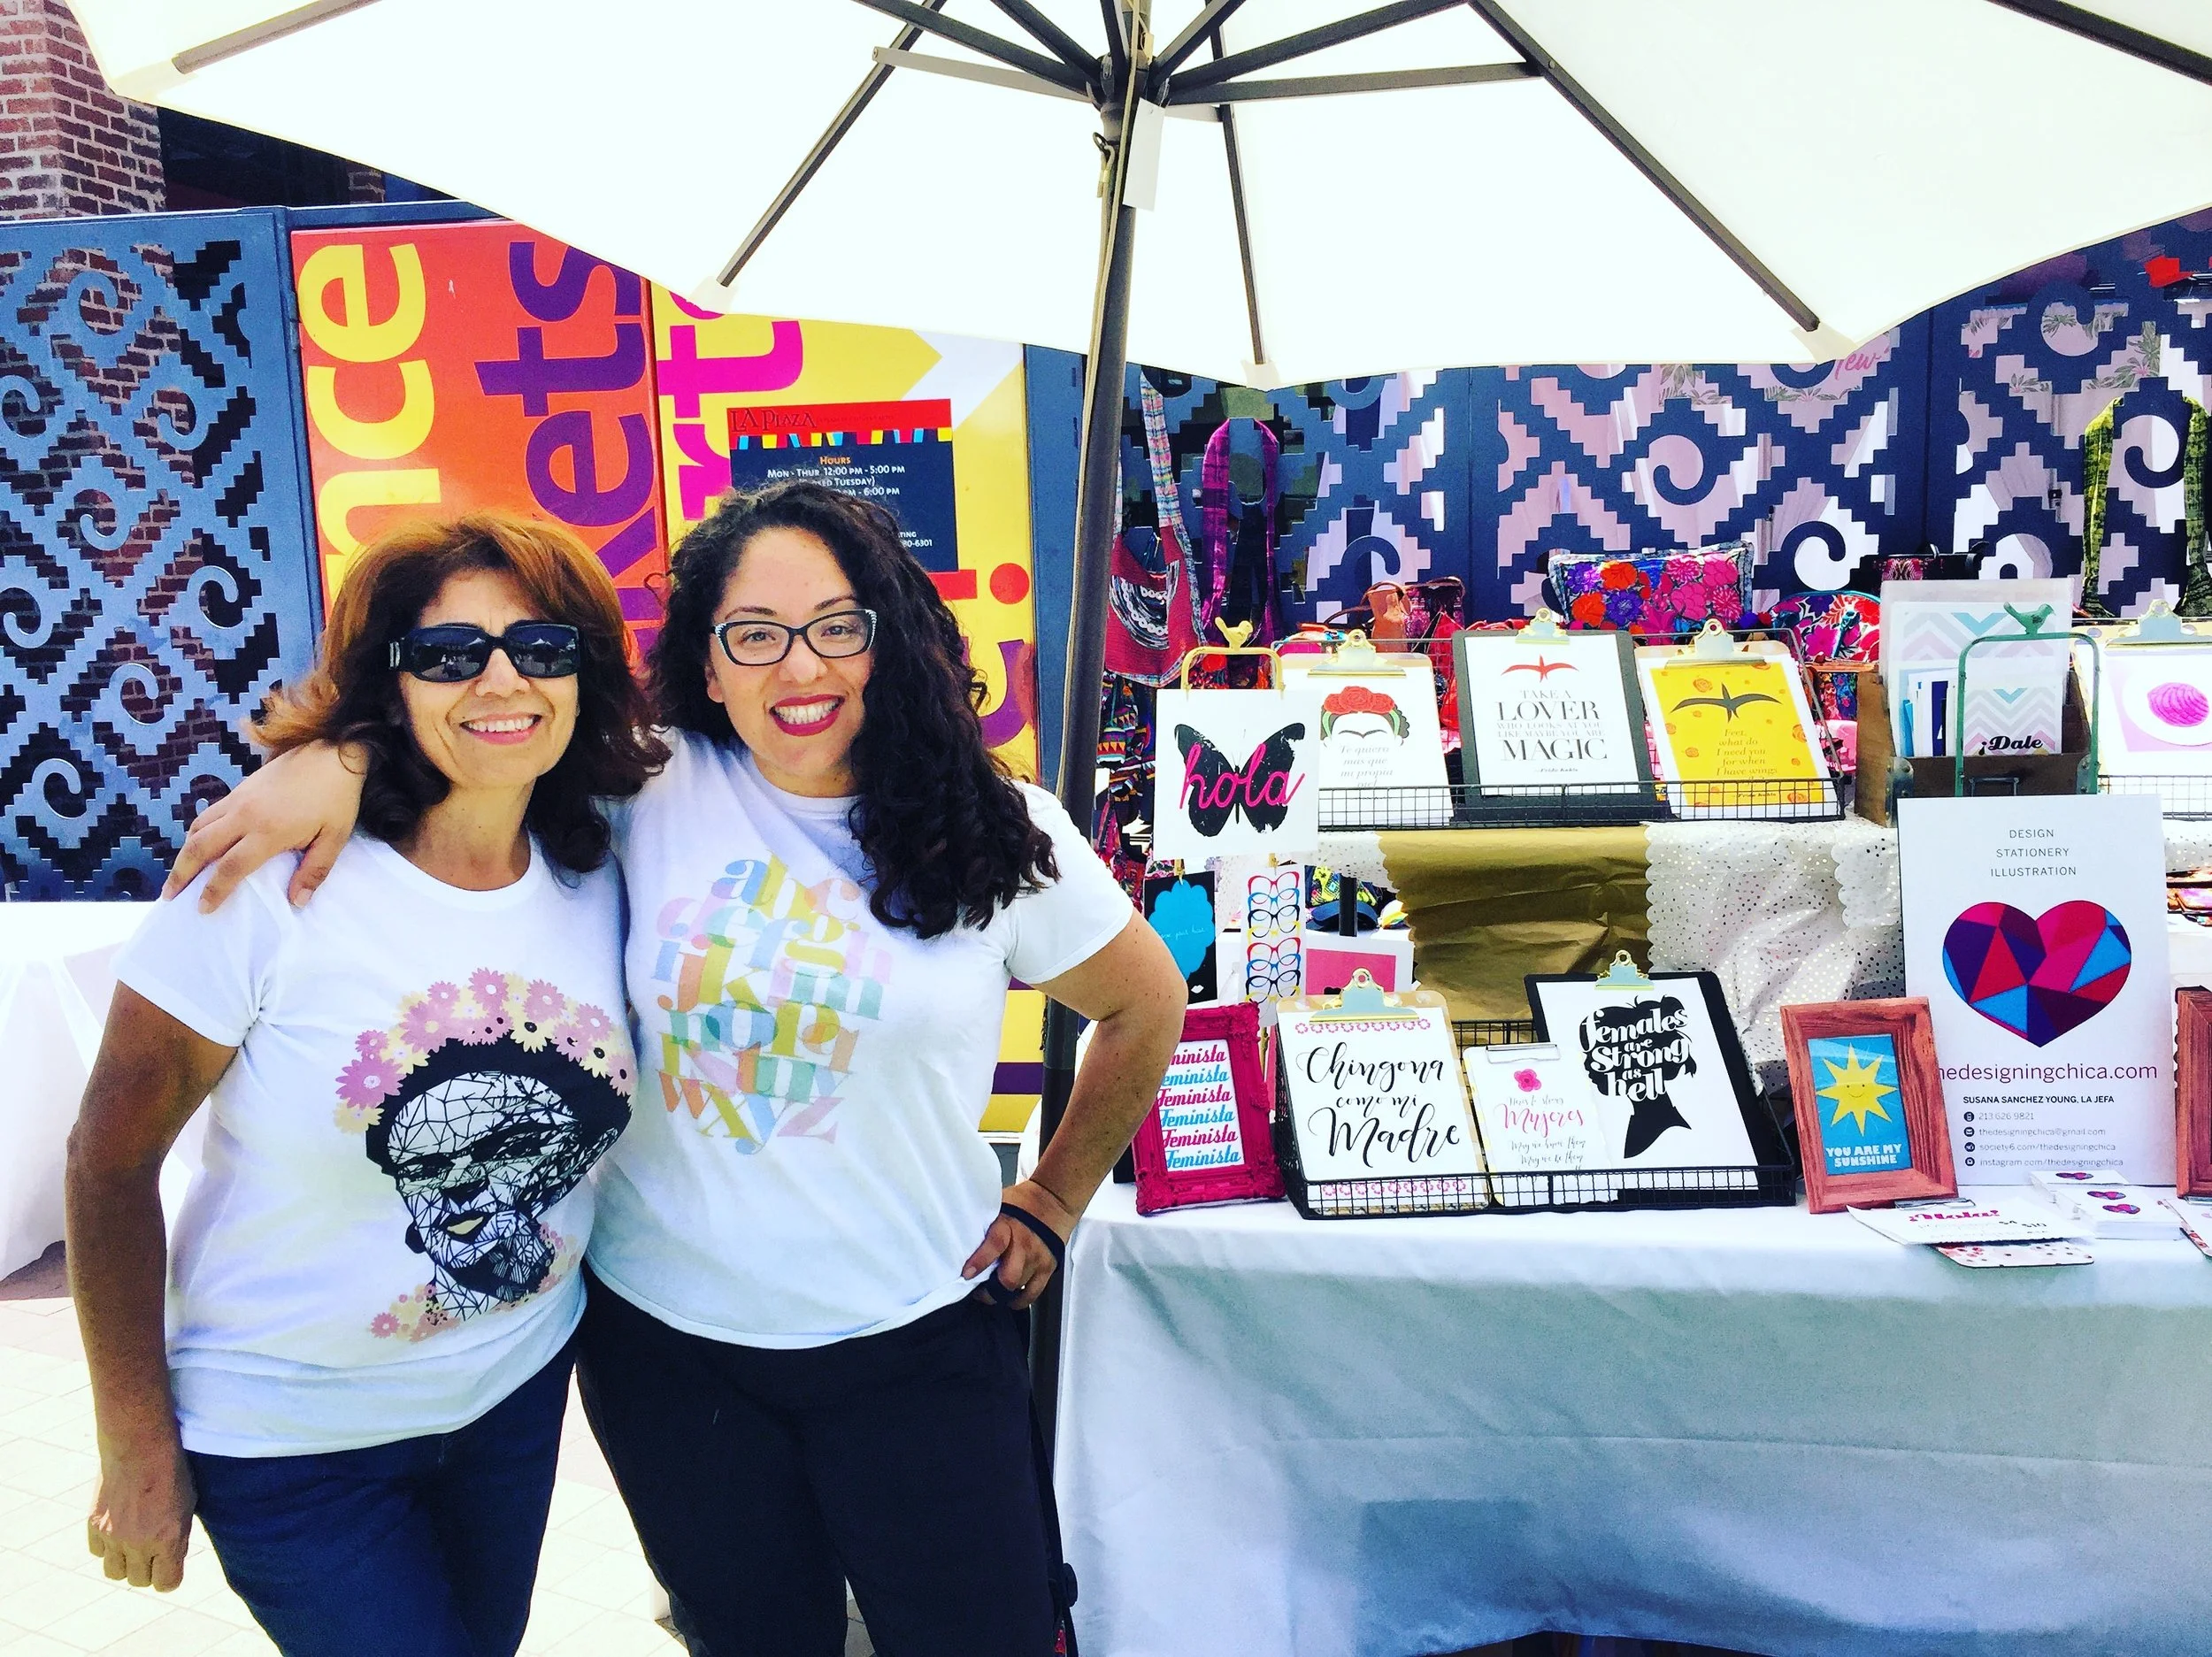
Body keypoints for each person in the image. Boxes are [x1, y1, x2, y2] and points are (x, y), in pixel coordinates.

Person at [164, 480, 1189, 1655]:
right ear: (706, 664)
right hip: (673, 1361)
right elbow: (474, 732)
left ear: (889, 636)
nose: (797, 670)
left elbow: (1144, 1005)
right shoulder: (640, 789)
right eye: (753, 636)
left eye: (836, 627)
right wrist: (334, 761)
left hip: (919, 1342)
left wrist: (1054, 1198)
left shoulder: (1003, 828)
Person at [69, 512, 663, 1657]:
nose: (502, 680)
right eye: (448, 656)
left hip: (510, 1407)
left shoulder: (609, 865)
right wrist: (135, 1443)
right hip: (292, 1444)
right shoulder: (266, 888)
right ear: (390, 683)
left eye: (541, 648)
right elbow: (108, 1158)